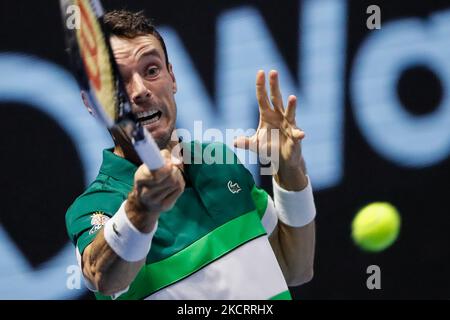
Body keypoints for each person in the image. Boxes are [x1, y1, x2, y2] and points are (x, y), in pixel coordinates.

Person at [66, 9, 316, 300]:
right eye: (118, 82)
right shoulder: (96, 205)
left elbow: (294, 268)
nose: (140, 91)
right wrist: (140, 209)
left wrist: (289, 169)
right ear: (91, 104)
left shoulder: (219, 162)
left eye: (151, 70)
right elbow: (103, 277)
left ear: (172, 77)